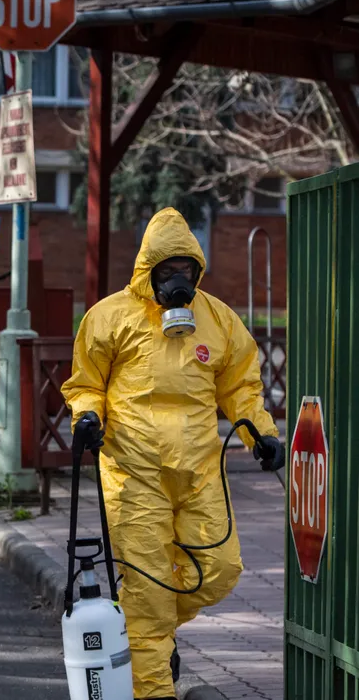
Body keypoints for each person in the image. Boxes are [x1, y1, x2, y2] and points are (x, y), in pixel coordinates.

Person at [62, 207, 284, 700]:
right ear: (149, 270)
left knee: (220, 570)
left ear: (197, 270)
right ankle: (153, 676)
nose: (178, 280)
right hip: (133, 472)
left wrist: (261, 435)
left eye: (187, 269)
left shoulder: (217, 319)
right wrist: (87, 416)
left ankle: (153, 635)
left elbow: (242, 388)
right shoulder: (110, 317)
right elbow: (86, 383)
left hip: (200, 471)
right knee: (146, 595)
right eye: (169, 270)